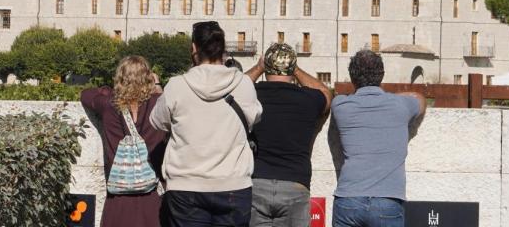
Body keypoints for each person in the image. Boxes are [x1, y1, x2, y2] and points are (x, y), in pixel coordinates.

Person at [150, 21, 263, 227]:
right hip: (233, 185)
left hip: (186, 186)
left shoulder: (177, 85)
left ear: (194, 49)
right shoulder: (243, 84)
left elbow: (157, 121)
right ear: (223, 49)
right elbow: (254, 118)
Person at [329, 49, 426, 227]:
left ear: (352, 77)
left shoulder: (340, 105)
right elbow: (420, 98)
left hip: (348, 198)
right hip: (388, 199)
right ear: (382, 75)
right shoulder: (401, 105)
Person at [244, 43, 332, 227]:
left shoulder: (251, 95)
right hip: (295, 184)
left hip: (257, 182)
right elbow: (326, 93)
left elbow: (231, 90)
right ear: (292, 69)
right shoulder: (308, 99)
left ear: (266, 67)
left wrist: (259, 67)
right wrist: (297, 69)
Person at [81, 55, 167, 227]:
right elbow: (167, 101)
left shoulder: (109, 104)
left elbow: (85, 94)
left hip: (117, 198)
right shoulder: (158, 104)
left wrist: (108, 90)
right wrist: (157, 86)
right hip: (150, 198)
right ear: (148, 78)